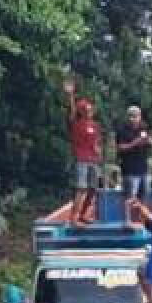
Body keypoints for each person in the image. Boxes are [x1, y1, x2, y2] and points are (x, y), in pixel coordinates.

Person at [65, 86, 103, 227]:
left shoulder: (95, 125)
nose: (90, 111)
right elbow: (72, 112)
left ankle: (83, 214)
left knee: (93, 189)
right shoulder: (76, 123)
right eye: (87, 109)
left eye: (90, 109)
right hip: (81, 159)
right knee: (81, 188)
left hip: (93, 160)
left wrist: (98, 151)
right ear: (82, 111)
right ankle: (74, 218)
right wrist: (71, 95)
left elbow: (97, 141)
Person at [115, 105, 152, 200]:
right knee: (130, 200)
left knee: (144, 198)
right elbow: (120, 148)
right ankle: (128, 215)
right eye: (132, 116)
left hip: (144, 170)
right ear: (128, 117)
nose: (134, 118)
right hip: (130, 171)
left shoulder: (144, 127)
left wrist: (149, 141)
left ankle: (140, 215)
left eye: (136, 116)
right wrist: (135, 143)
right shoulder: (122, 130)